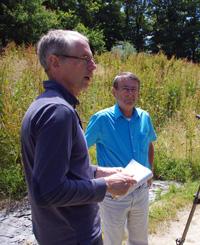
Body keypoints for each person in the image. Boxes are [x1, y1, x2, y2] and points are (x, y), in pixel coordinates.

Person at [21, 29, 137, 245]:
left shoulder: (45, 104)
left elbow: (61, 170)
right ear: (54, 61)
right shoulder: (58, 111)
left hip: (57, 233)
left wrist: (97, 171)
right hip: (74, 237)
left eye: (93, 59)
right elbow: (48, 191)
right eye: (85, 59)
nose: (93, 66)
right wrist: (106, 184)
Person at [85, 72, 157, 245]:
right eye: (125, 89)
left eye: (134, 90)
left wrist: (150, 172)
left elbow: (149, 144)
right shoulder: (102, 119)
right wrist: (94, 176)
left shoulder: (144, 117)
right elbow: (78, 150)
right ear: (114, 92)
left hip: (140, 191)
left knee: (140, 240)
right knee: (113, 240)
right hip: (113, 195)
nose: (130, 94)